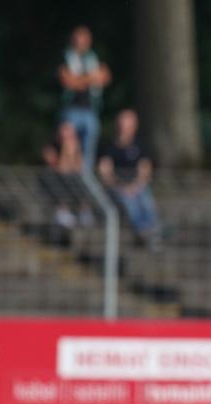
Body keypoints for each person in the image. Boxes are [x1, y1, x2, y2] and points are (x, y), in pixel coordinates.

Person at [97, 109, 161, 247]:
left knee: (146, 201)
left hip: (136, 186)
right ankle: (143, 232)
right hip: (117, 188)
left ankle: (153, 230)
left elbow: (145, 170)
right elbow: (105, 171)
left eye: (127, 126)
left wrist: (134, 186)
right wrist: (119, 186)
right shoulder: (109, 147)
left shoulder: (140, 146)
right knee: (129, 202)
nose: (124, 129)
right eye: (122, 125)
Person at [58, 25, 112, 170]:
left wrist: (79, 80)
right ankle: (67, 180)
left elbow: (105, 77)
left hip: (90, 110)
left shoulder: (94, 57)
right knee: (69, 147)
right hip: (71, 109)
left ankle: (84, 179)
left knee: (87, 152)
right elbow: (68, 82)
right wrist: (92, 78)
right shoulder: (66, 56)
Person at [40, 121, 95, 231]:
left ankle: (85, 211)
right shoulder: (49, 149)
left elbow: (78, 169)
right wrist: (66, 150)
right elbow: (62, 169)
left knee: (78, 179)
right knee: (57, 177)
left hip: (70, 181)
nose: (67, 138)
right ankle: (62, 211)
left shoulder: (76, 148)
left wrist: (75, 151)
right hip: (54, 182)